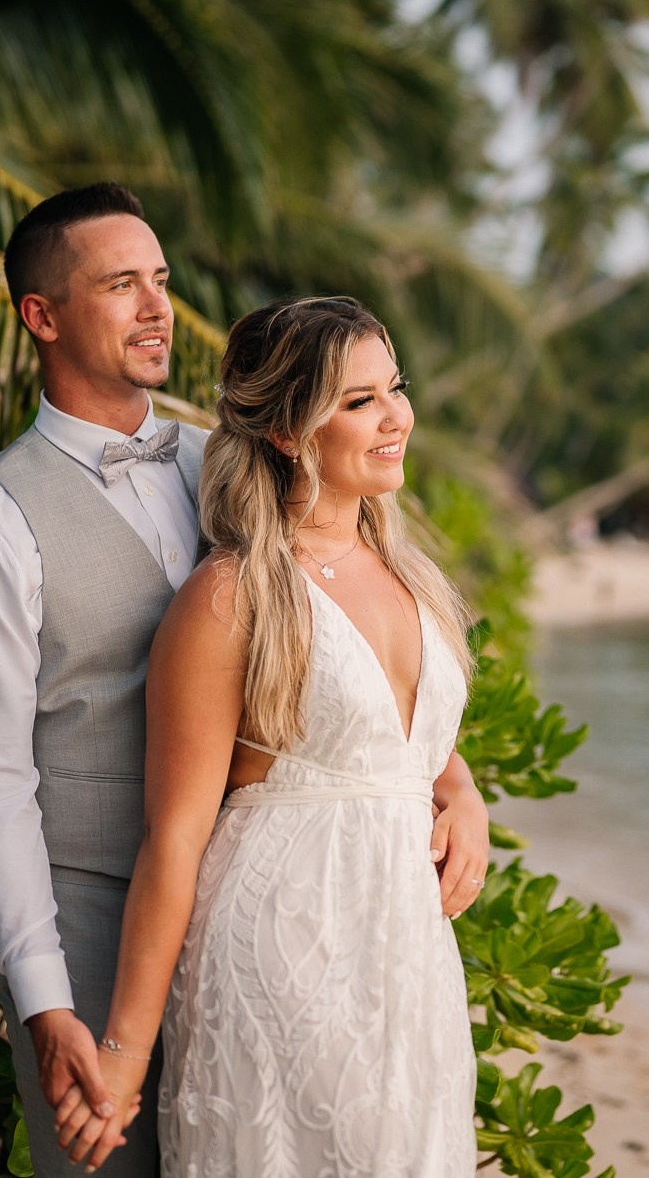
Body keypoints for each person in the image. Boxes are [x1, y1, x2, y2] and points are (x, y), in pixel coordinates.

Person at [53, 296, 491, 1176]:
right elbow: (174, 836)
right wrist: (125, 1052)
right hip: (284, 948)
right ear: (289, 431)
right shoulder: (234, 595)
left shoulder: (409, 573)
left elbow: (395, 736)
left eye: (395, 387)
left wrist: (460, 789)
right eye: (359, 400)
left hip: (409, 960)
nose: (396, 416)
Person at [0, 182, 202, 1176]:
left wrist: (449, 777)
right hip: (89, 925)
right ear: (41, 316)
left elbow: (340, 636)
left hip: (243, 912)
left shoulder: (225, 466)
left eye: (159, 280)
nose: (157, 307)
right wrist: (43, 1003)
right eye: (122, 285)